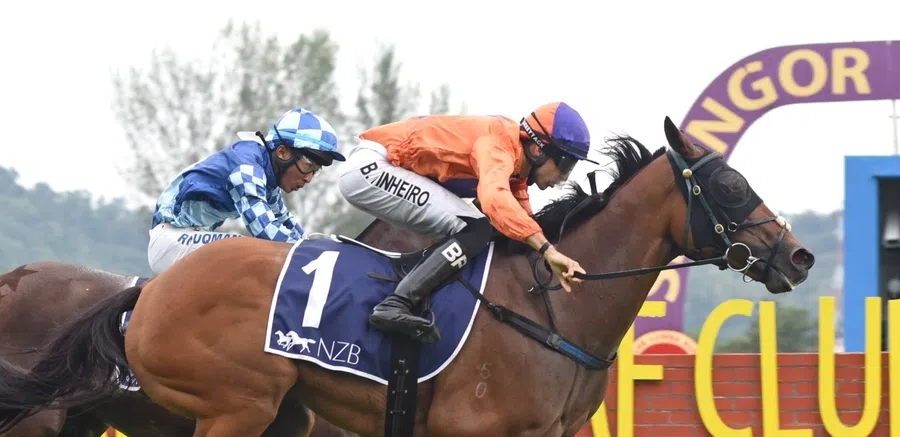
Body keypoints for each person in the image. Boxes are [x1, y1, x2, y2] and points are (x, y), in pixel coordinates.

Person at [338, 102, 594, 343]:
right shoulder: (498, 144)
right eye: (566, 164)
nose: (565, 177)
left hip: (381, 168)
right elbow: (495, 201)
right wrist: (547, 250)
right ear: (538, 149)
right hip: (372, 168)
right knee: (476, 227)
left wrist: (553, 252)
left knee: (481, 228)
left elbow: (522, 219)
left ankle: (411, 288)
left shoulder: (516, 167)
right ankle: (396, 304)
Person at [146, 107, 346, 275]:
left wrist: (319, 252)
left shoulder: (267, 177)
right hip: (169, 241)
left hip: (191, 236)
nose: (308, 178)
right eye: (308, 166)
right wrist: (312, 257)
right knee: (247, 249)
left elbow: (286, 223)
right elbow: (265, 230)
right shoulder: (246, 166)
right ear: (283, 152)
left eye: (316, 171)